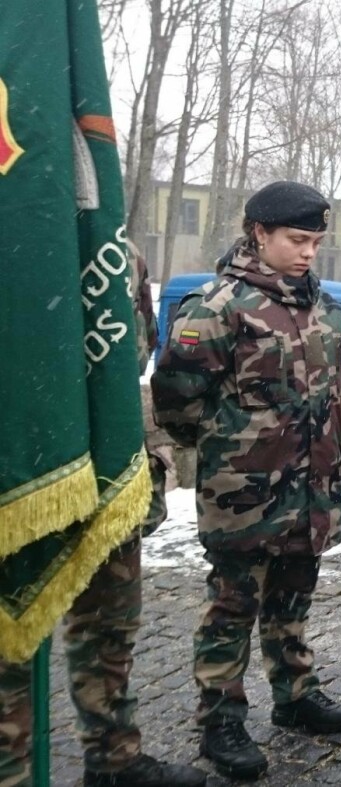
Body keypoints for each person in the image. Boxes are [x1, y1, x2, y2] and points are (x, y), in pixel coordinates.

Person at [152, 181, 341, 781]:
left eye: (315, 242)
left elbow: (331, 399)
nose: (308, 253)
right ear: (258, 233)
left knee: (294, 595)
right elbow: (176, 403)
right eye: (296, 240)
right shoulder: (216, 307)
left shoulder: (325, 309)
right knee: (232, 607)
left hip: (311, 489)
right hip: (243, 496)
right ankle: (220, 719)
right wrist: (237, 449)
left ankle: (295, 695)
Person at [0, 250, 207, 787]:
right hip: (11, 468)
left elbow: (131, 355)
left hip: (101, 467)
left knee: (109, 627)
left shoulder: (114, 249)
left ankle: (114, 757)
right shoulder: (20, 227)